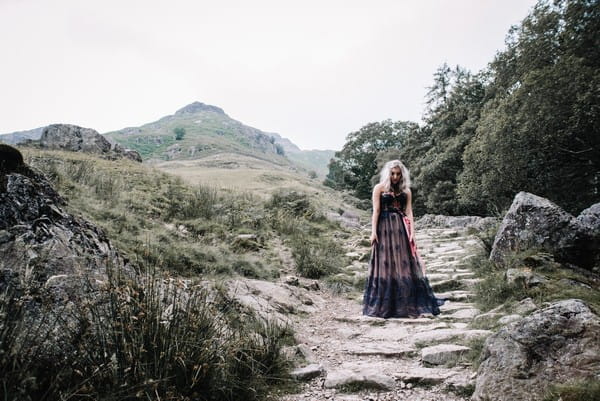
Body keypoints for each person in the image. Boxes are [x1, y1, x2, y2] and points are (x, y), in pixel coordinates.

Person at [362, 159, 445, 318]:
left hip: (400, 229)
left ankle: (405, 302)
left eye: (398, 174)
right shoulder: (379, 188)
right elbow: (376, 211)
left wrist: (412, 232)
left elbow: (409, 212)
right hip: (384, 228)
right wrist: (373, 232)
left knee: (403, 263)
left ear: (402, 175)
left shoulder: (406, 191)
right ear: (388, 173)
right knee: (385, 263)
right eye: (392, 174)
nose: (395, 177)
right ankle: (386, 303)